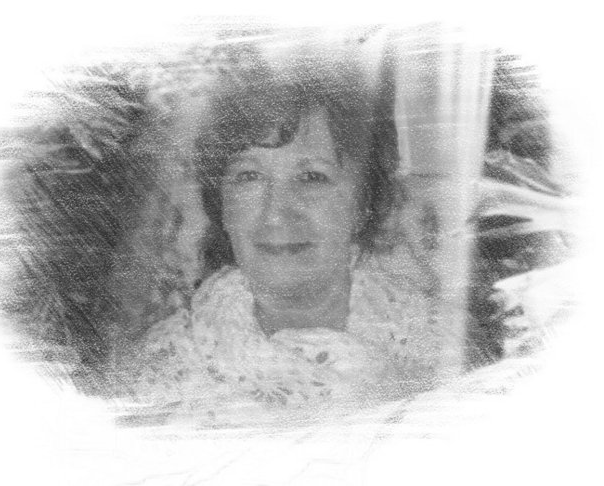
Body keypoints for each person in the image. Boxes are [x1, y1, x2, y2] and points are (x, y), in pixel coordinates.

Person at [124, 44, 441, 422]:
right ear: (221, 204)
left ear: (365, 202)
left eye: (312, 177)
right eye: (249, 176)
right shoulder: (159, 374)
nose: (276, 212)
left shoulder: (441, 352)